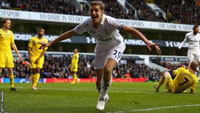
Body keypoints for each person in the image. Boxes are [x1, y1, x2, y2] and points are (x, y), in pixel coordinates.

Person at [39, 1, 160, 110]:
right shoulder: (87, 23)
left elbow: (131, 30)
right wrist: (51, 42)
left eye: (96, 10)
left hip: (116, 45)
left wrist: (147, 41)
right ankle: (104, 95)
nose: (93, 13)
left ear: (102, 12)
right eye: (91, 10)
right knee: (98, 82)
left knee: (108, 70)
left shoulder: (110, 21)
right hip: (100, 48)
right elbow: (70, 33)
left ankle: (101, 98)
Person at [0, 18, 22, 91]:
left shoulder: (10, 33)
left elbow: (12, 44)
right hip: (1, 52)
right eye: (8, 23)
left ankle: (12, 86)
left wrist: (18, 53)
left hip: (8, 53)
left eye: (10, 23)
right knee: (0, 68)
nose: (10, 24)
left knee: (10, 69)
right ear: (4, 24)